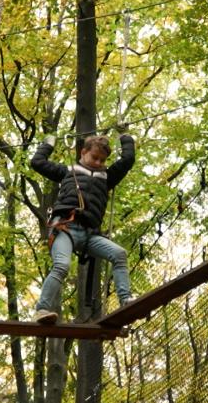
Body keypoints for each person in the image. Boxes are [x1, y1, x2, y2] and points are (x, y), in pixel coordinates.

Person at [30, 130, 135, 324]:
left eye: (102, 160)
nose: (98, 163)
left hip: (90, 234)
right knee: (61, 266)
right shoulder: (67, 171)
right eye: (94, 157)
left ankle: (126, 300)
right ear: (83, 153)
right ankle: (42, 310)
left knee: (119, 254)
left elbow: (128, 160)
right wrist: (48, 144)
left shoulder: (107, 177)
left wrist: (124, 136)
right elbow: (37, 163)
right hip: (66, 227)